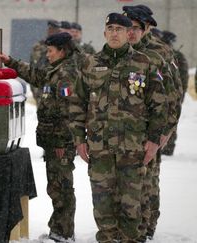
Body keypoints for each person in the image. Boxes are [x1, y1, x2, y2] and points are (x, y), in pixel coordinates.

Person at [68, 13, 167, 242]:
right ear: (104, 33)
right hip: (99, 149)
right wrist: (79, 140)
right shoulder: (90, 64)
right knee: (103, 208)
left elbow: (159, 106)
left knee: (132, 208)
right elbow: (76, 104)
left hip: (133, 150)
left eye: (119, 29)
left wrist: (153, 142)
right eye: (110, 28)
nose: (114, 33)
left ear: (128, 34)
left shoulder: (144, 63)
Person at [0, 32, 80, 242]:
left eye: (51, 51)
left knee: (61, 187)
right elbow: (36, 75)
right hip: (53, 141)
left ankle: (63, 233)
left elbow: (68, 112)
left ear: (62, 51)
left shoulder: (66, 74)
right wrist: (10, 61)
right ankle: (58, 229)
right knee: (56, 187)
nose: (47, 54)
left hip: (60, 142)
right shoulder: (56, 71)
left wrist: (63, 142)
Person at [124, 5, 183, 239]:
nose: (129, 31)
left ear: (147, 27)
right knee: (127, 185)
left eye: (134, 27)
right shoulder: (121, 49)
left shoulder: (160, 52)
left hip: (151, 130)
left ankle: (147, 227)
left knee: (147, 182)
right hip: (124, 131)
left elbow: (174, 95)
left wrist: (165, 132)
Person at [160, 30, 188, 156]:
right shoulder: (169, 54)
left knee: (170, 121)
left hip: (171, 93)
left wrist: (180, 96)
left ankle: (167, 148)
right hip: (166, 93)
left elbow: (182, 78)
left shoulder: (175, 56)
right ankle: (166, 148)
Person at [29, 20, 61, 106]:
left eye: (56, 30)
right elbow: (33, 70)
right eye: (51, 29)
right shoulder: (39, 47)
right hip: (42, 90)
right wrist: (36, 93)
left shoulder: (63, 48)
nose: (53, 32)